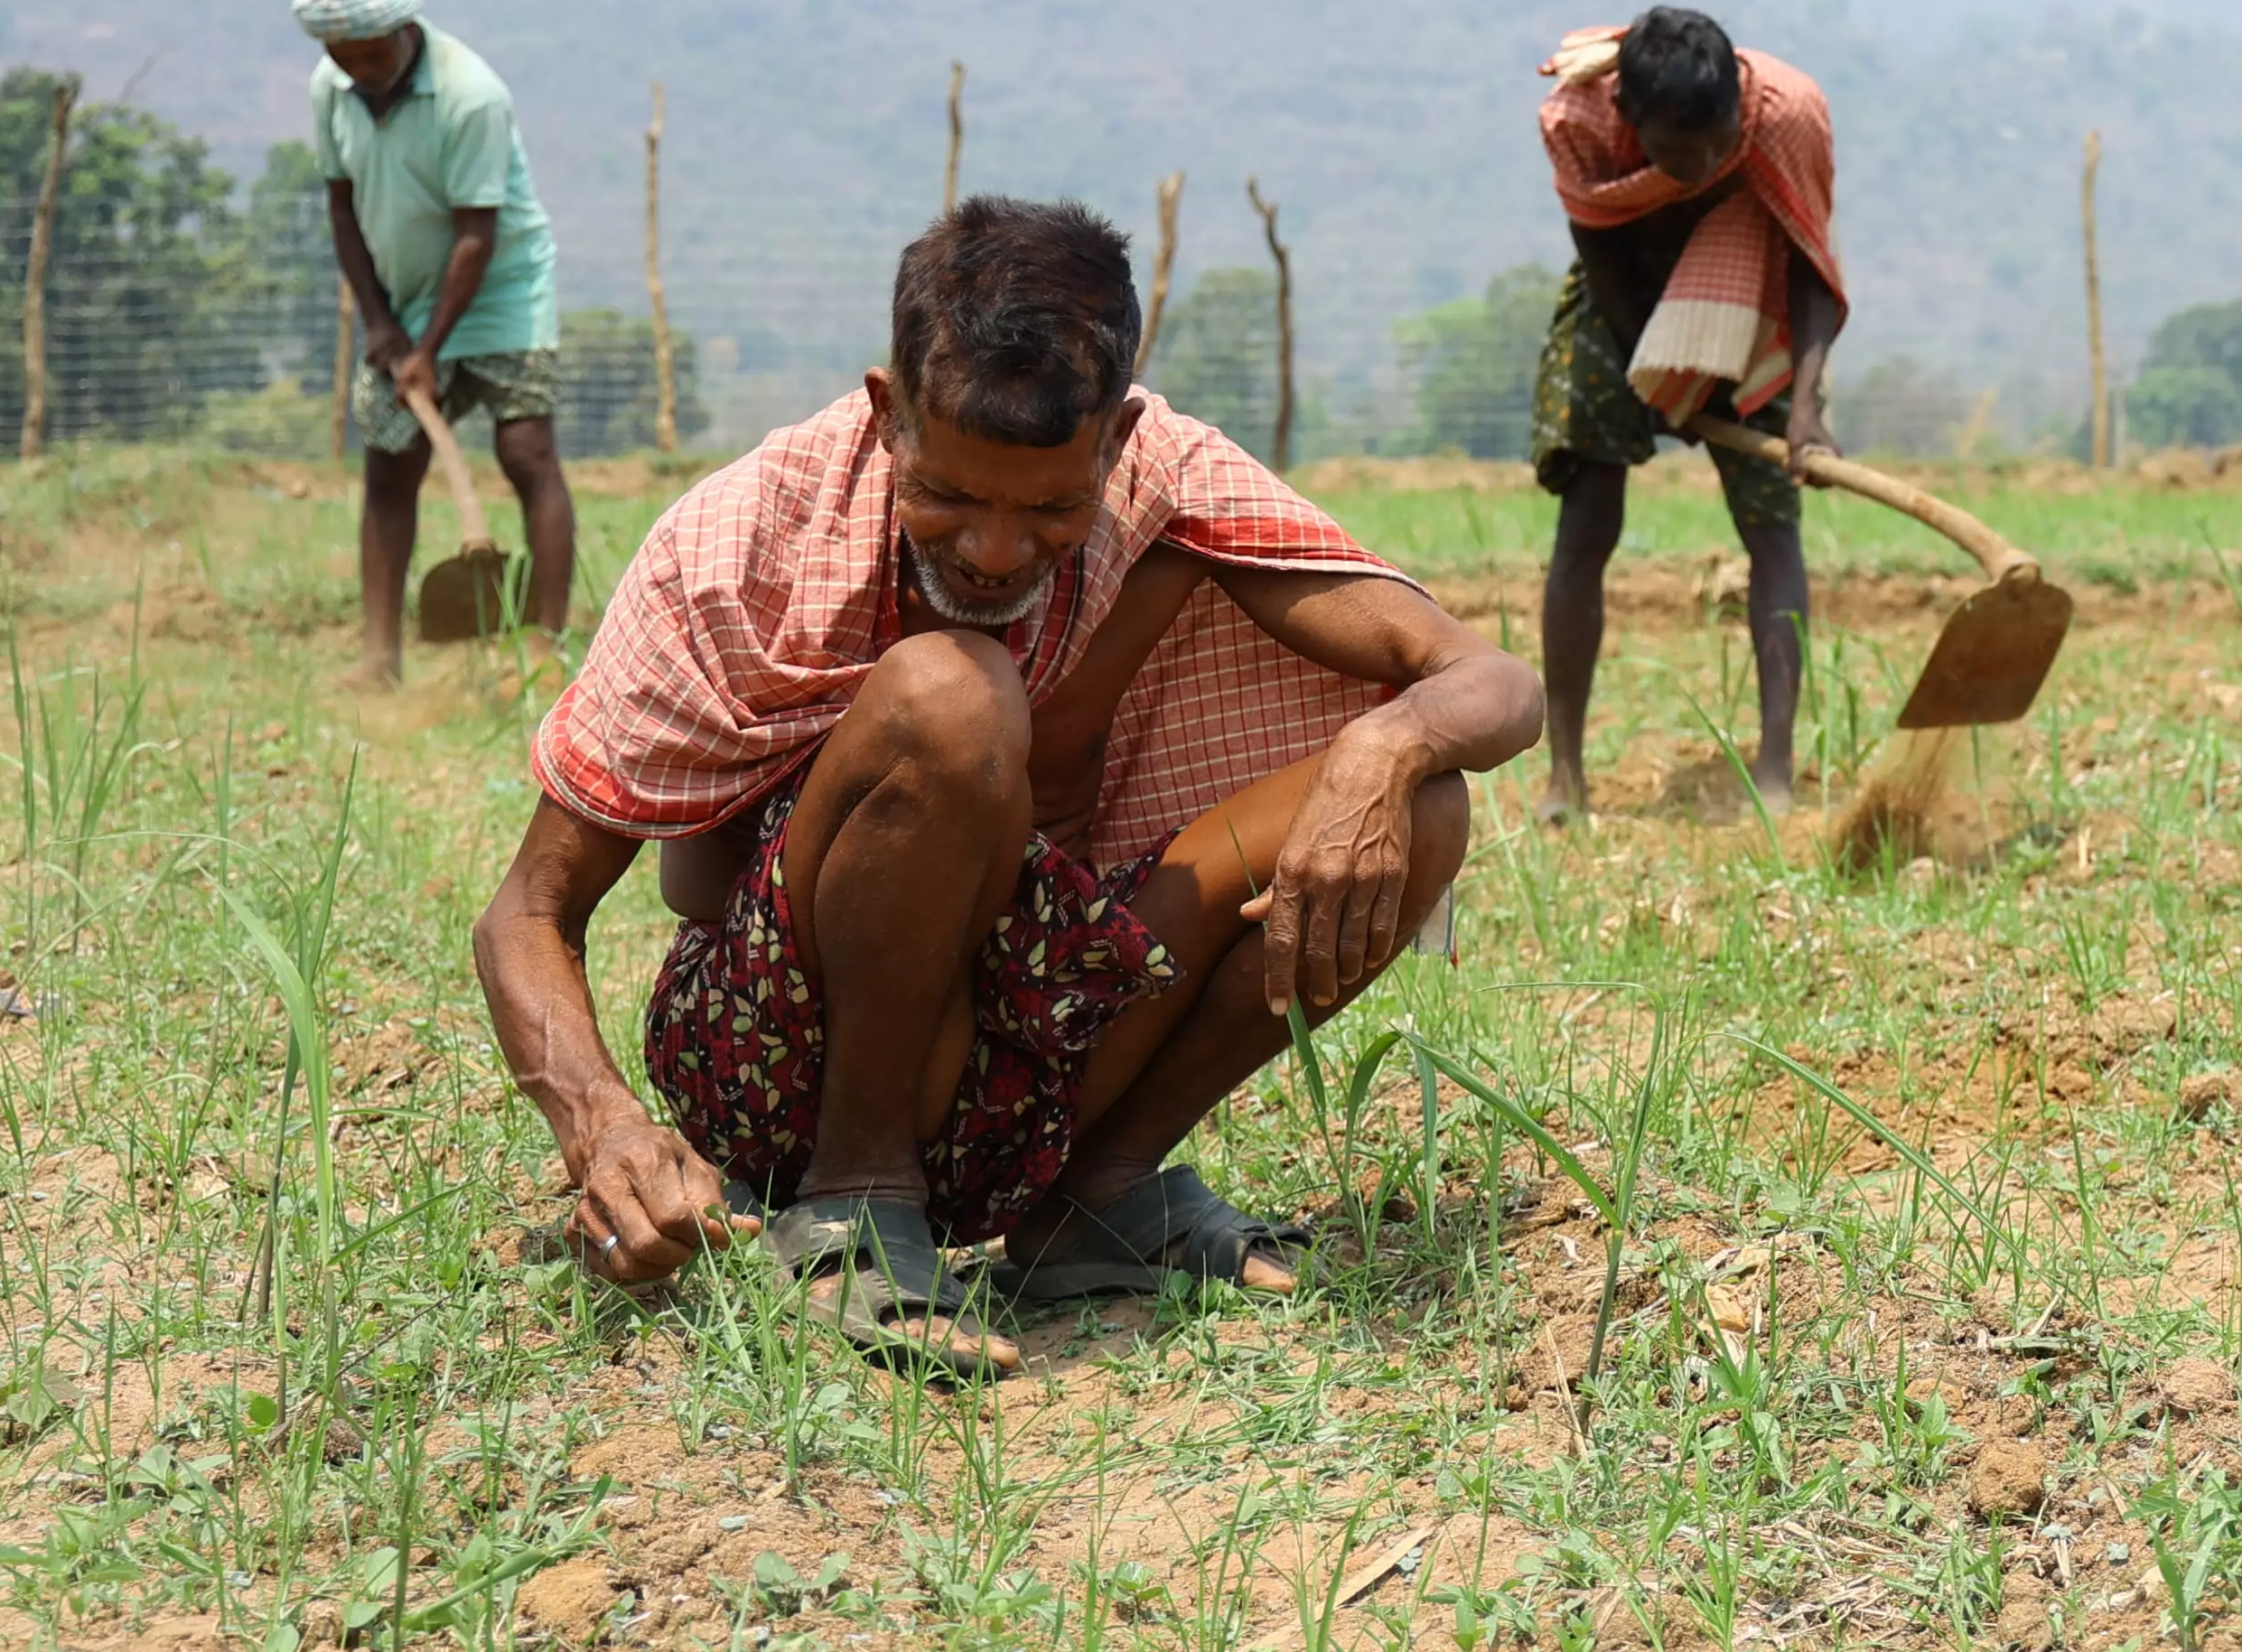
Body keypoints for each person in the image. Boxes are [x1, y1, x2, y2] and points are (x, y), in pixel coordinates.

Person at [473, 198, 1542, 1377]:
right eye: (949, 498)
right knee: (953, 697)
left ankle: (1090, 1199)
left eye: (1048, 509)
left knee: (1427, 806)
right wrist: (604, 1128)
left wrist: (1378, 756)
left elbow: (1490, 682)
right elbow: (528, 913)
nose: (992, 549)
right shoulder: (739, 544)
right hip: (780, 1064)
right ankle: (853, 1197)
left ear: (1117, 438)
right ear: (888, 416)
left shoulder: (1167, 482)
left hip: (1038, 1055)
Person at [1528, 9, 1845, 820]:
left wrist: (1803, 408)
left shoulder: (1789, 113)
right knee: (1587, 518)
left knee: (1772, 529)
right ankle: (1566, 775)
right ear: (1633, 122)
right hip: (1623, 301)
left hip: (1754, 300)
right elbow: (1600, 250)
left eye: (1720, 142)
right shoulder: (1579, 121)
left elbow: (1809, 255)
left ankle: (1775, 774)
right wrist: (1654, 375)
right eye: (1681, 150)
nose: (1705, 165)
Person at [294, 0, 577, 675]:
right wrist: (383, 325)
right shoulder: (332, 90)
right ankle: (379, 654)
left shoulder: (470, 95)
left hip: (503, 285)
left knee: (526, 452)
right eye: (342, 56)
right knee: (390, 463)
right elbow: (342, 210)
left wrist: (429, 346)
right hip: (405, 291)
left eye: (371, 53)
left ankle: (545, 644)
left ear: (404, 28)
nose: (359, 69)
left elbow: (478, 236)